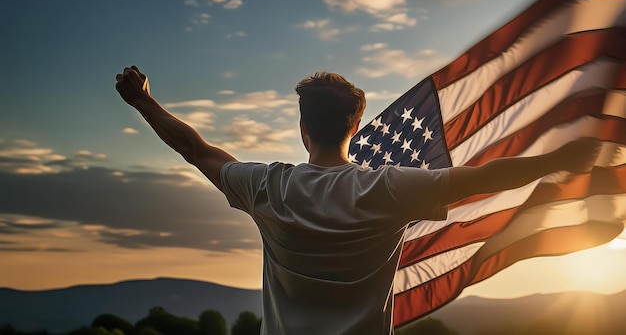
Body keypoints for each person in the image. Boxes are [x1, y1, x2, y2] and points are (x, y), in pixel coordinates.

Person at [115, 65, 601, 335]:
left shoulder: (268, 187)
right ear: (355, 127)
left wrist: (143, 101)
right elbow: (483, 177)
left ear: (303, 129)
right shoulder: (389, 188)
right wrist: (555, 160)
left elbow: (197, 150)